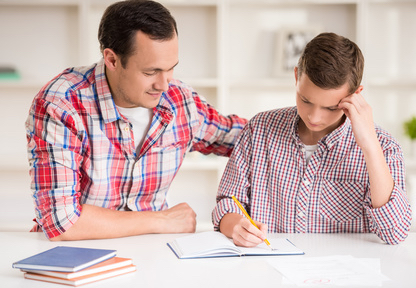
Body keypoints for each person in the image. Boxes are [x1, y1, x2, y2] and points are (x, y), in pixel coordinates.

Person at [25, 0, 247, 241]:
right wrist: (161, 219)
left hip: (154, 256)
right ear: (111, 59)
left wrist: (294, 111)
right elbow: (62, 223)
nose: (164, 85)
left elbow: (246, 138)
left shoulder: (180, 101)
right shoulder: (62, 104)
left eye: (170, 68)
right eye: (150, 72)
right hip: (75, 258)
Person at [213, 32, 412, 246]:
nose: (314, 117)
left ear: (356, 94)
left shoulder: (384, 146)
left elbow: (395, 234)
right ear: (297, 76)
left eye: (330, 107)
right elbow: (227, 204)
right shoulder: (259, 130)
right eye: (305, 100)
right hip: (267, 271)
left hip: (344, 276)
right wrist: (236, 226)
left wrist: (370, 147)